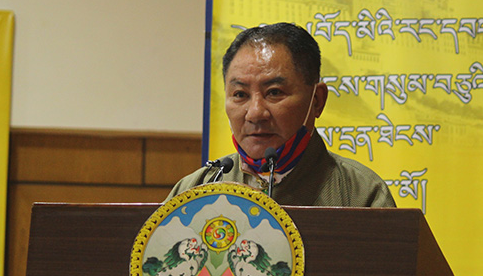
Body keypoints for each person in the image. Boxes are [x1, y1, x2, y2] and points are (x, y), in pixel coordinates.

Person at [167, 22, 395, 207]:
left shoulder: (362, 195)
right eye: (240, 94)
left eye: (274, 92)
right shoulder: (194, 192)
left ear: (316, 101)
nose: (255, 113)